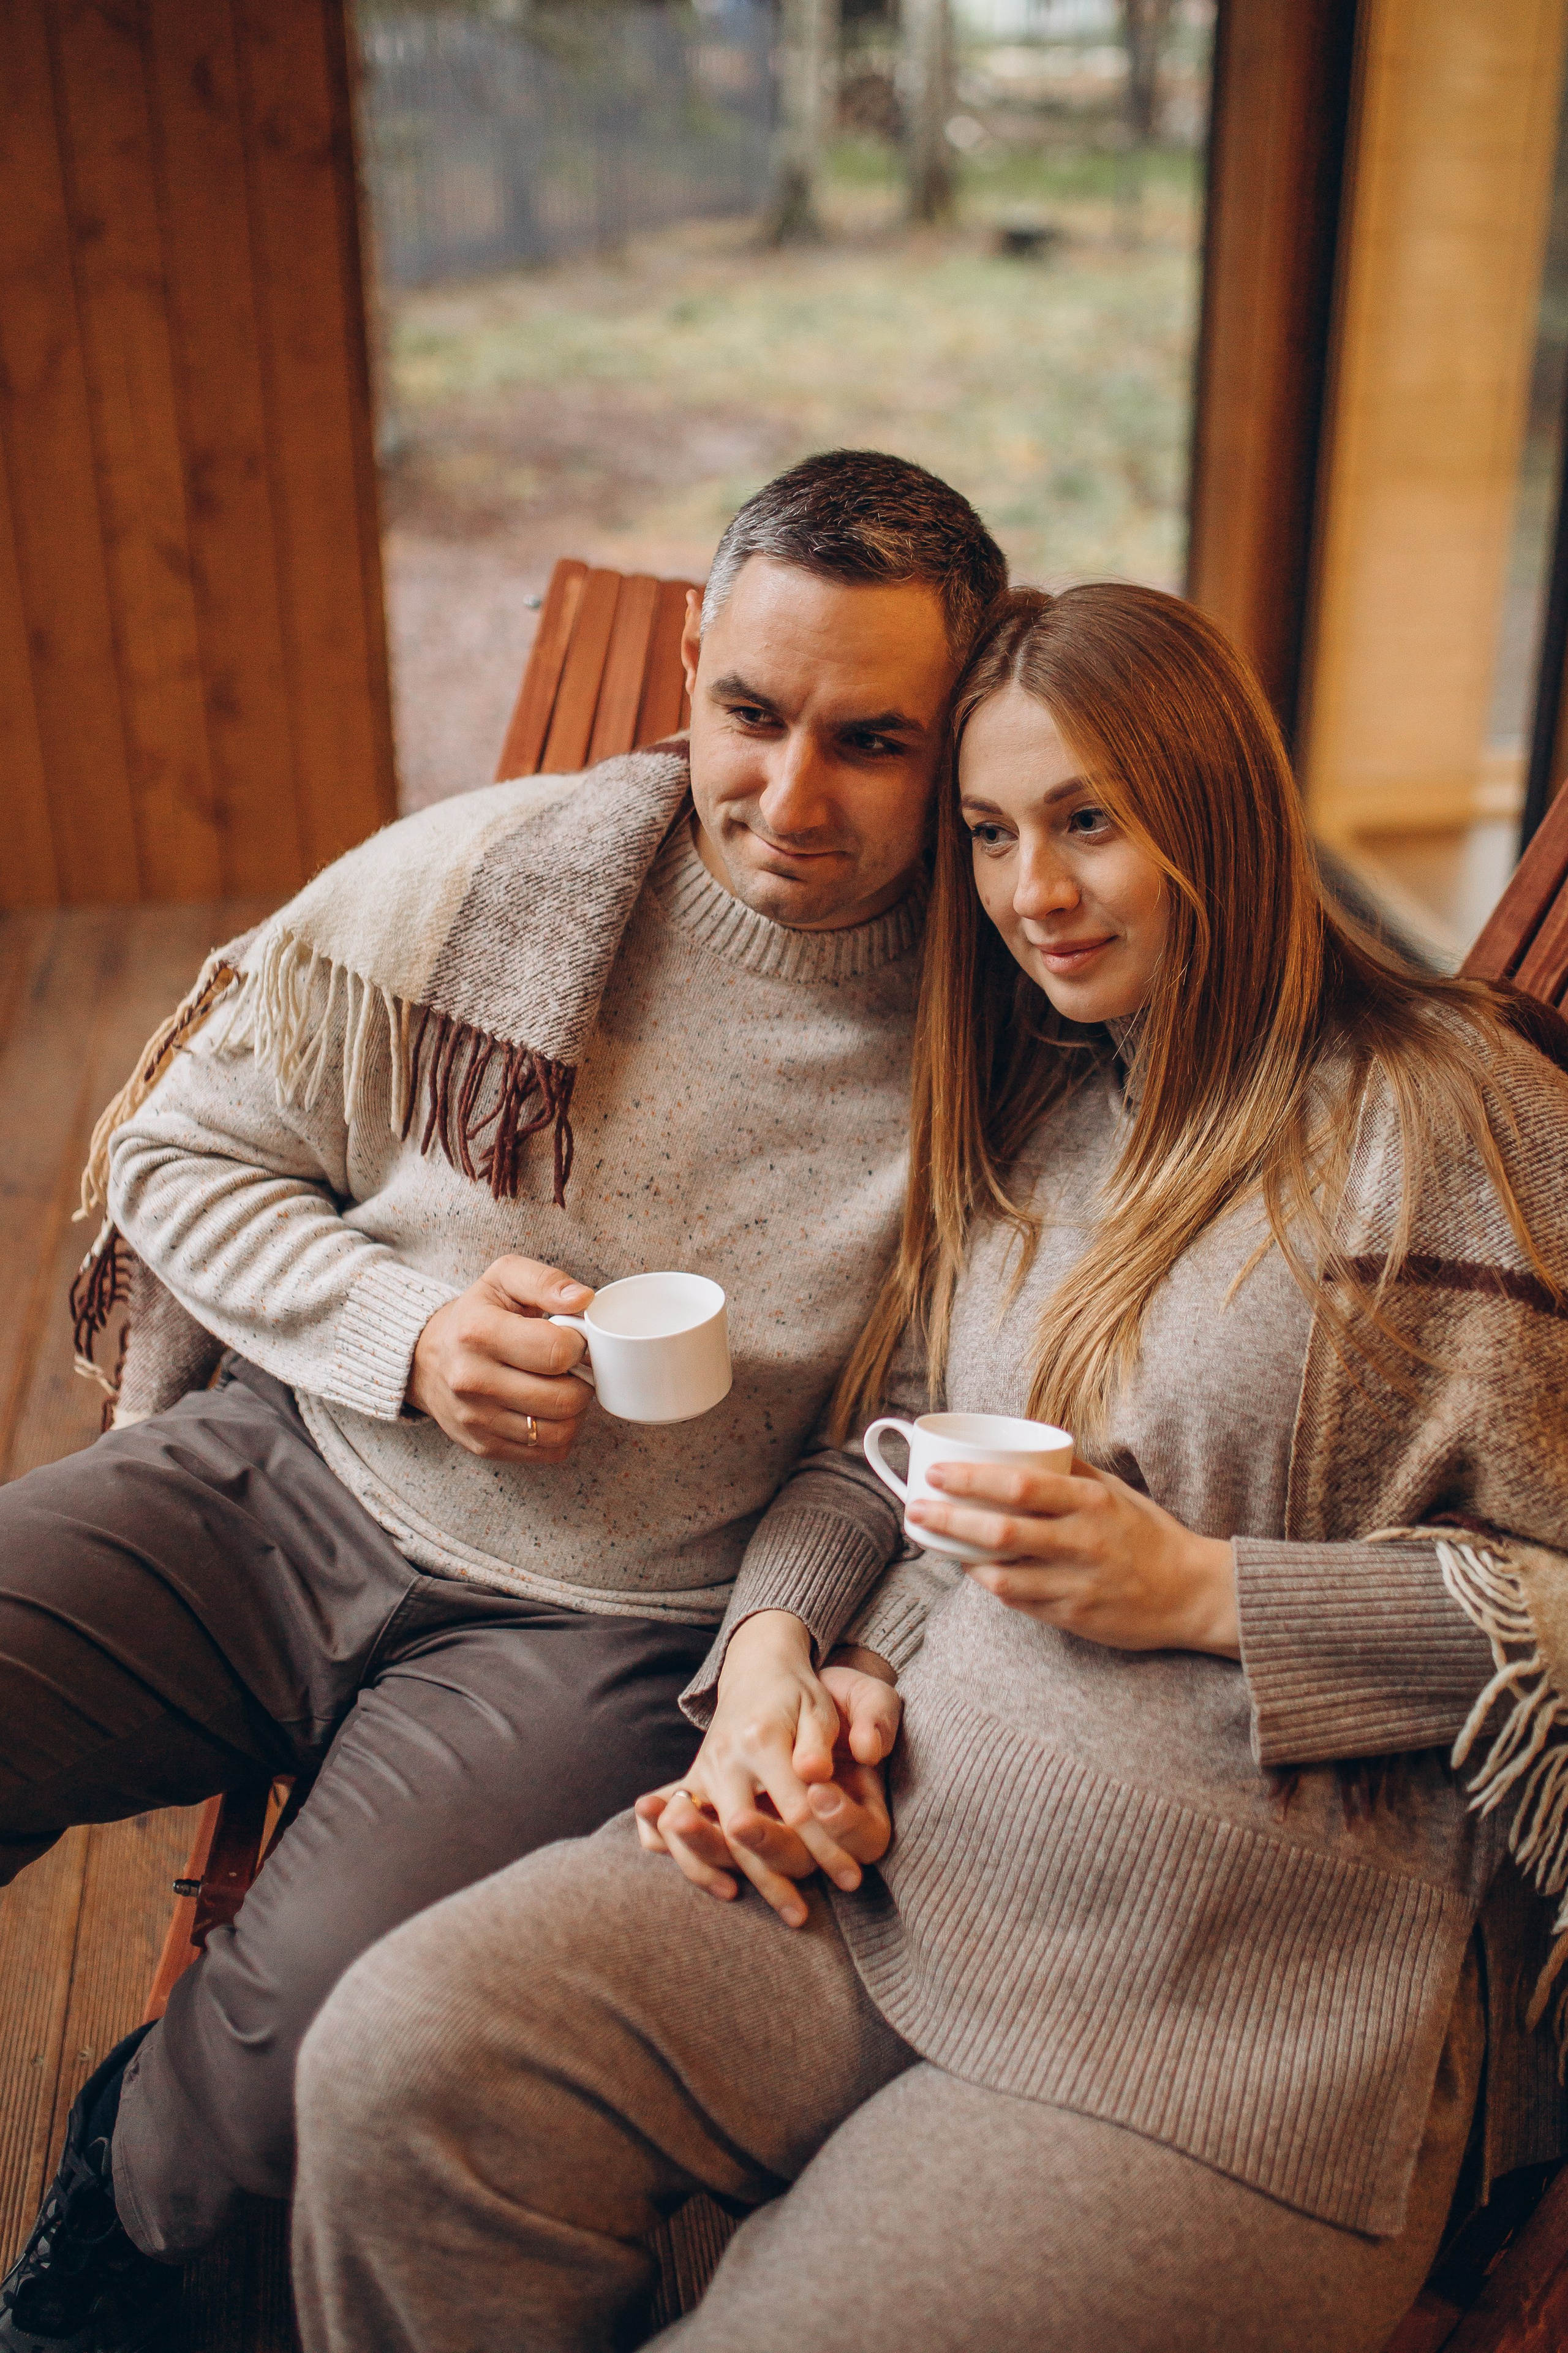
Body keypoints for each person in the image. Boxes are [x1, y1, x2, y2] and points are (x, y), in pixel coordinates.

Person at [288, 583, 1568, 2353]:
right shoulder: (1051, 1096)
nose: (1031, 892)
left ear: (1218, 809)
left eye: (1089, 821)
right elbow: (874, 1454)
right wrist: (764, 1670)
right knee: (406, 2066)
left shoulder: (1455, 1118)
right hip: (889, 1850)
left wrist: (1203, 1591)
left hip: (1231, 1999)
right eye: (988, 833)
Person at [0, 452, 1008, 2353]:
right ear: (693, 655)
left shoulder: (993, 1040)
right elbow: (182, 1152)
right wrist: (402, 1325)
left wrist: (780, 1618)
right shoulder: (478, 880)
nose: (790, 800)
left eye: (874, 742)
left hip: (596, 1641)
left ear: (961, 734)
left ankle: (108, 2233)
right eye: (751, 713)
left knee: (284, 2074)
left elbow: (922, 1422)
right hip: (276, 1483)